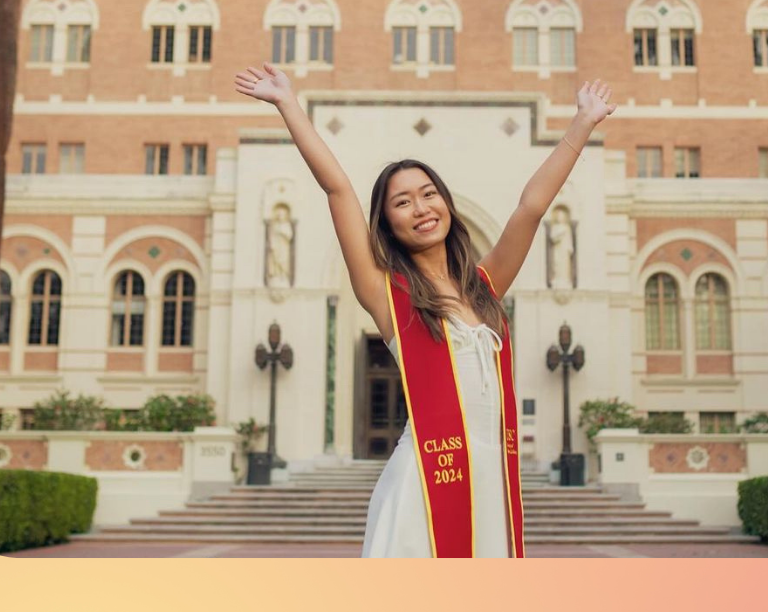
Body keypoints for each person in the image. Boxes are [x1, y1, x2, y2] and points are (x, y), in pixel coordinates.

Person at [234, 62, 616, 558]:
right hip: (423, 484)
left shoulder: (486, 287)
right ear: (387, 223)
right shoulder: (386, 295)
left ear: (447, 204)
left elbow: (531, 208)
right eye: (403, 202)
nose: (421, 208)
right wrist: (289, 104)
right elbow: (338, 190)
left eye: (429, 194)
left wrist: (582, 123)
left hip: (492, 481)